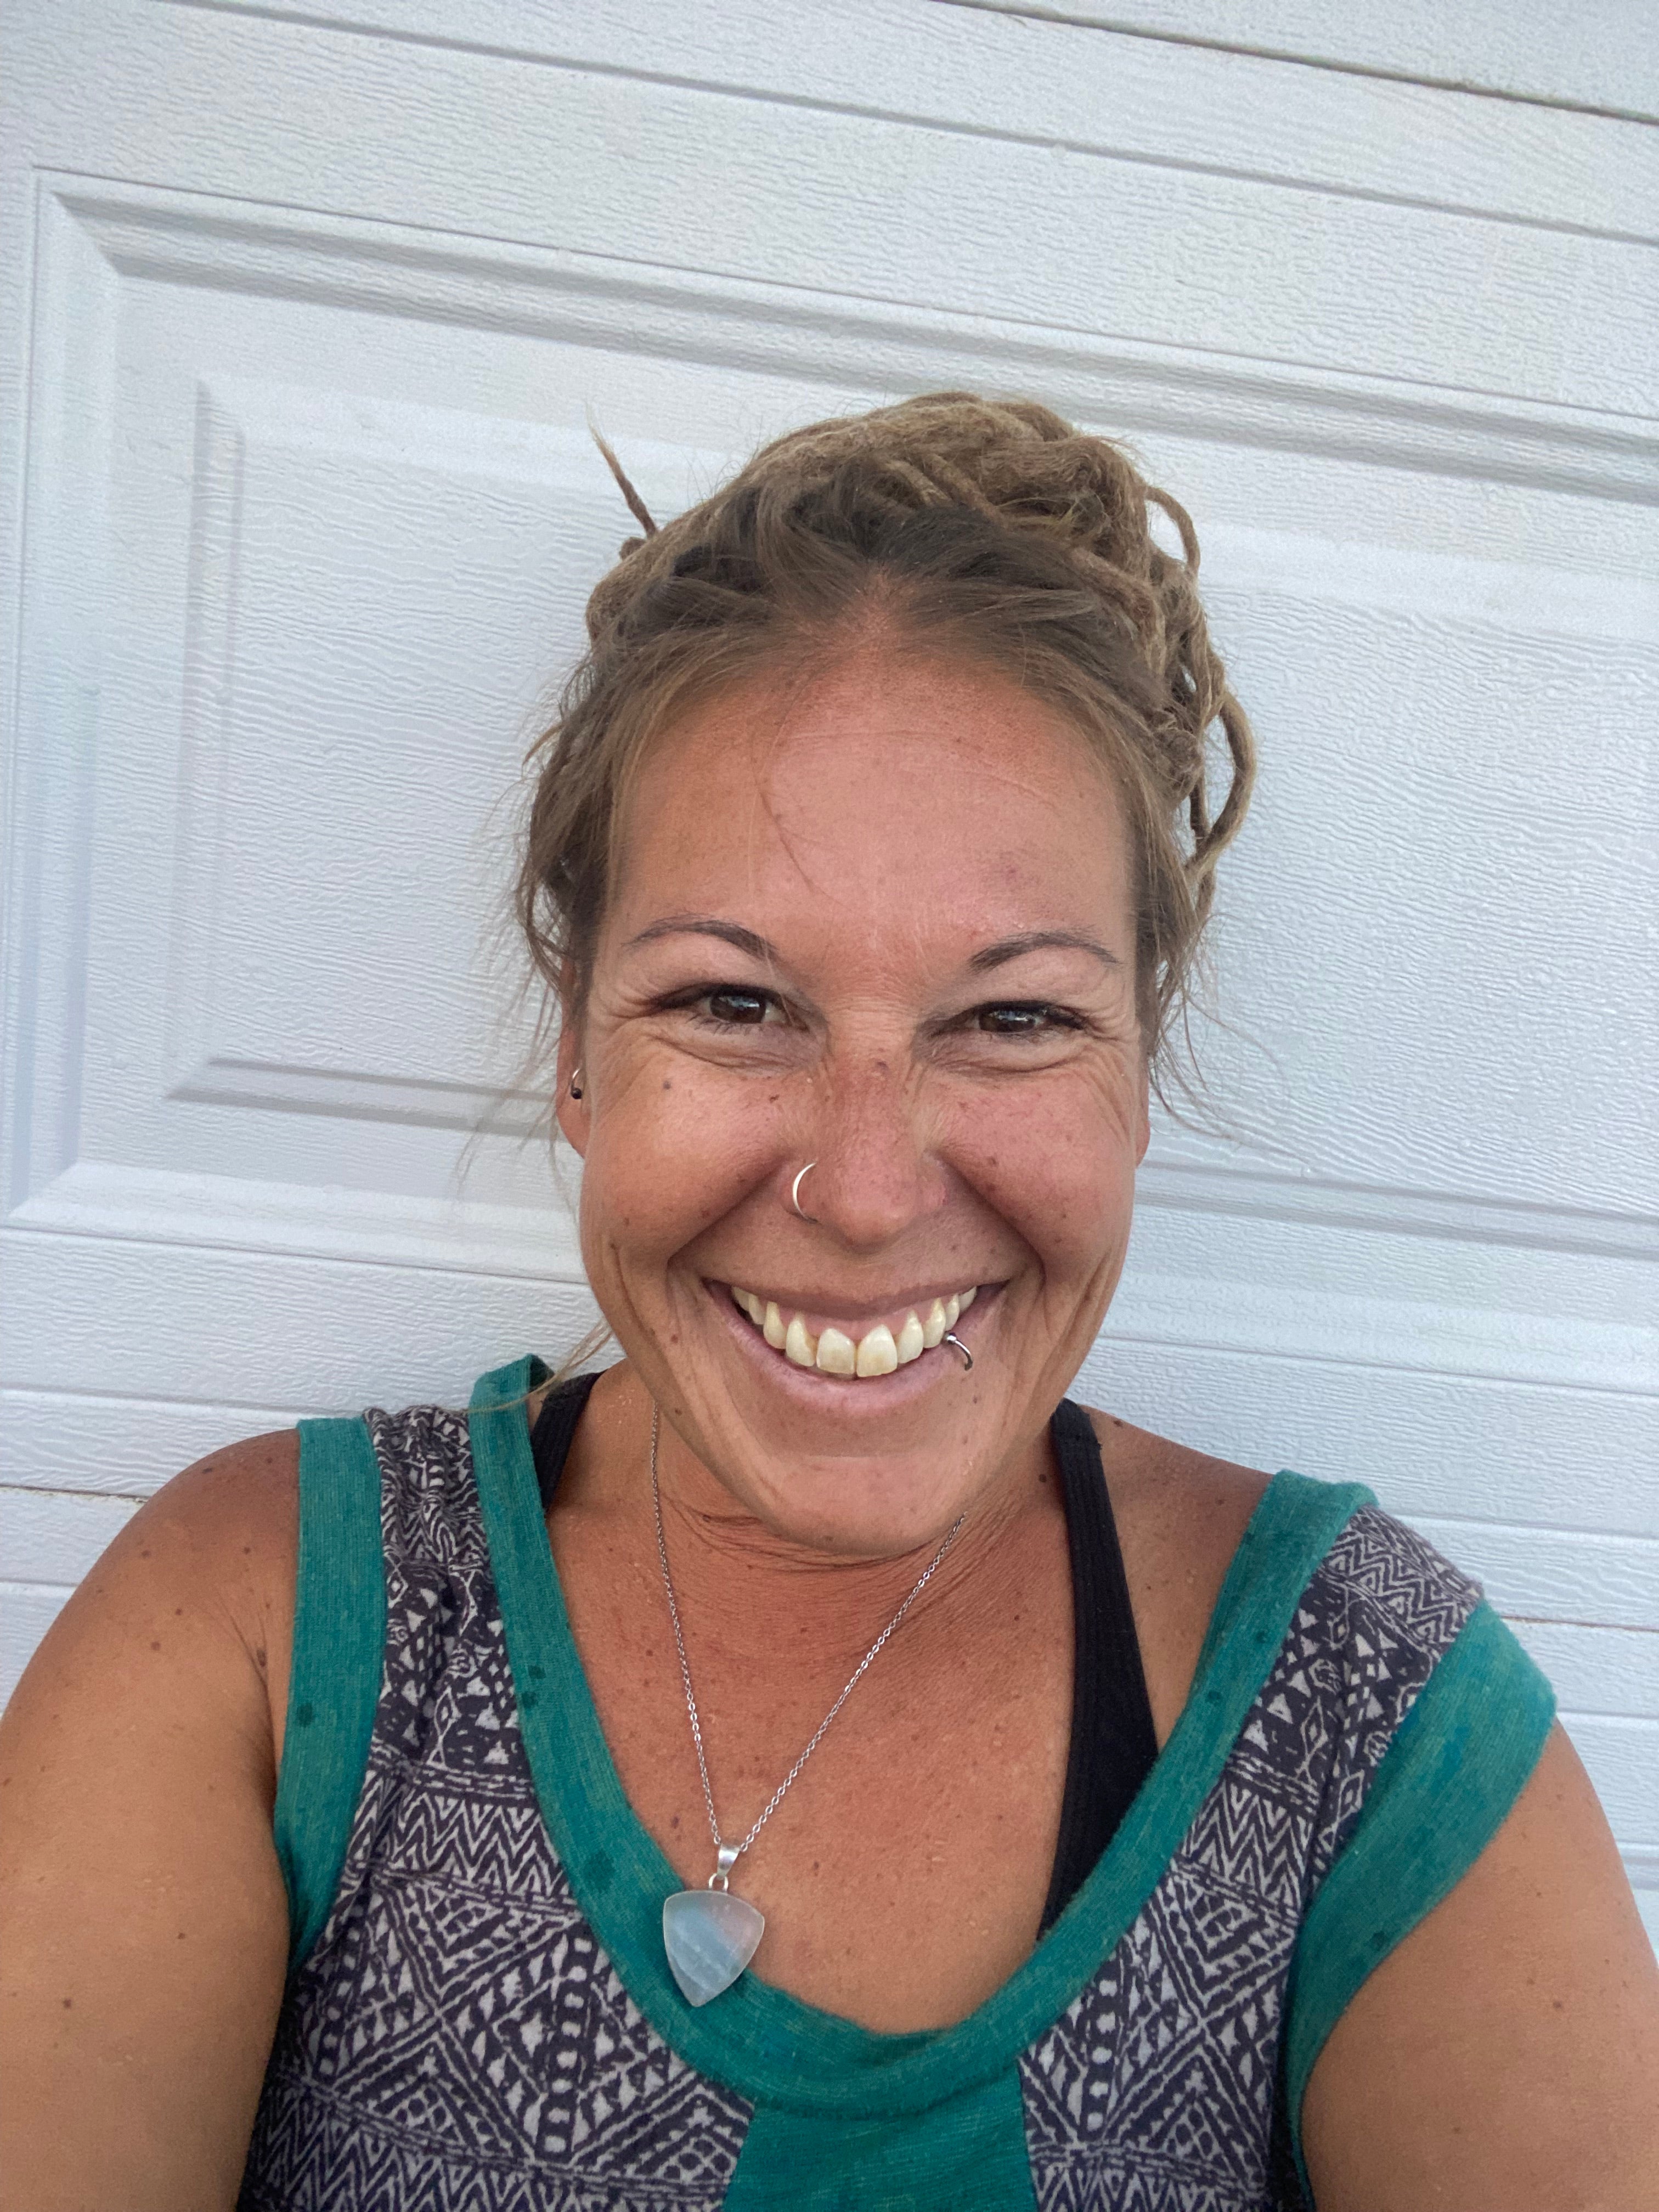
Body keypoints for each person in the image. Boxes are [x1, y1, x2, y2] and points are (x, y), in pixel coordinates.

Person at [2, 394, 1655, 2212]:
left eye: (1014, 1018)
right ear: (575, 1052)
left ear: (1137, 1067)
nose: (866, 1197)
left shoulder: (1364, 1725)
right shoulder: (260, 1629)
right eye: (733, 1004)